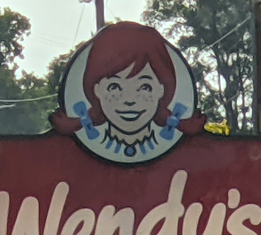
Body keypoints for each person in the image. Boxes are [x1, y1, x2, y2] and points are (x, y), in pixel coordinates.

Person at [50, 22, 205, 161]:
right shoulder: (63, 157)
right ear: (96, 90)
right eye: (114, 87)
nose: (129, 100)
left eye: (145, 87)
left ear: (162, 90)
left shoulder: (195, 156)